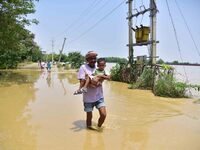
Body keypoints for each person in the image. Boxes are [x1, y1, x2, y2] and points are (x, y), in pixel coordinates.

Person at [76, 51, 108, 131]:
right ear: (87, 59)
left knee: (103, 114)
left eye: (94, 58)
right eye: (91, 58)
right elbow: (82, 82)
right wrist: (92, 84)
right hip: (88, 98)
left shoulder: (99, 67)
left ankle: (99, 128)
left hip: (99, 96)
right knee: (89, 116)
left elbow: (106, 77)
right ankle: (89, 133)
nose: (93, 60)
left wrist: (102, 79)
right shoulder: (83, 68)